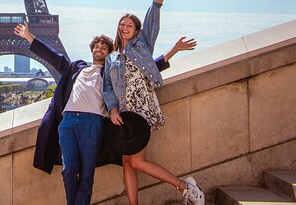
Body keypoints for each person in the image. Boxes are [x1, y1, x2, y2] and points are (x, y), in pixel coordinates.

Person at [15, 22, 190, 205]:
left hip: (93, 123)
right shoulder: (76, 68)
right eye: (97, 46)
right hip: (67, 122)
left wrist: (173, 50)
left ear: (108, 53)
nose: (99, 49)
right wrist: (28, 36)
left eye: (104, 47)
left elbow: (145, 70)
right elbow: (53, 56)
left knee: (87, 174)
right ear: (92, 50)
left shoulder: (113, 73)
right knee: (68, 170)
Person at [103, 0, 204, 205]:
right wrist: (113, 109)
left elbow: (153, 11)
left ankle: (186, 188)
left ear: (137, 30)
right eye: (122, 24)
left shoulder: (142, 44)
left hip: (142, 108)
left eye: (129, 24)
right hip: (124, 112)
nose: (124, 27)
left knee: (136, 161)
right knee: (128, 162)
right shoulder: (112, 58)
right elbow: (107, 87)